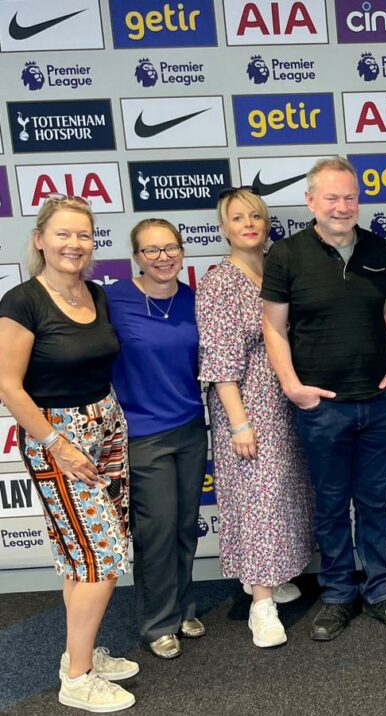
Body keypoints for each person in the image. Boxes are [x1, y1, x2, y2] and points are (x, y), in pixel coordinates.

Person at [262, 157, 386, 639]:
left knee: (373, 502)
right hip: (322, 407)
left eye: (349, 196)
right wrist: (291, 385)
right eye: (331, 197)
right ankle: (335, 594)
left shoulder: (376, 246)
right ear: (311, 201)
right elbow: (274, 325)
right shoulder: (286, 255)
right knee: (330, 504)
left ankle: (380, 590)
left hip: (377, 402)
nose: (342, 206)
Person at [0, 196, 138, 712]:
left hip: (106, 426)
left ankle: (78, 654)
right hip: (57, 438)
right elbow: (8, 386)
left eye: (83, 235)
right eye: (62, 234)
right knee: (101, 559)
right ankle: (77, 680)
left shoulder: (95, 294)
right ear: (39, 239)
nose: (74, 244)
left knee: (82, 557)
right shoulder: (22, 302)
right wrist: (58, 446)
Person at [196, 187, 316, 648]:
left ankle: (271, 573)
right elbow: (220, 361)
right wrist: (239, 423)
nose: (249, 224)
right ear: (224, 228)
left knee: (284, 495)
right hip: (246, 405)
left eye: (256, 216)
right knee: (257, 501)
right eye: (238, 218)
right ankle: (260, 606)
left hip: (286, 399)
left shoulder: (276, 269)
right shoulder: (220, 282)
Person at [106, 219, 207, 659]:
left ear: (182, 252)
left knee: (186, 525)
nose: (163, 257)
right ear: (136, 257)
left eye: (170, 248)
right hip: (143, 435)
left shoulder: (194, 300)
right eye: (151, 250)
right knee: (158, 531)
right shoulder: (112, 299)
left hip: (190, 427)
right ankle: (157, 623)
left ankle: (182, 606)